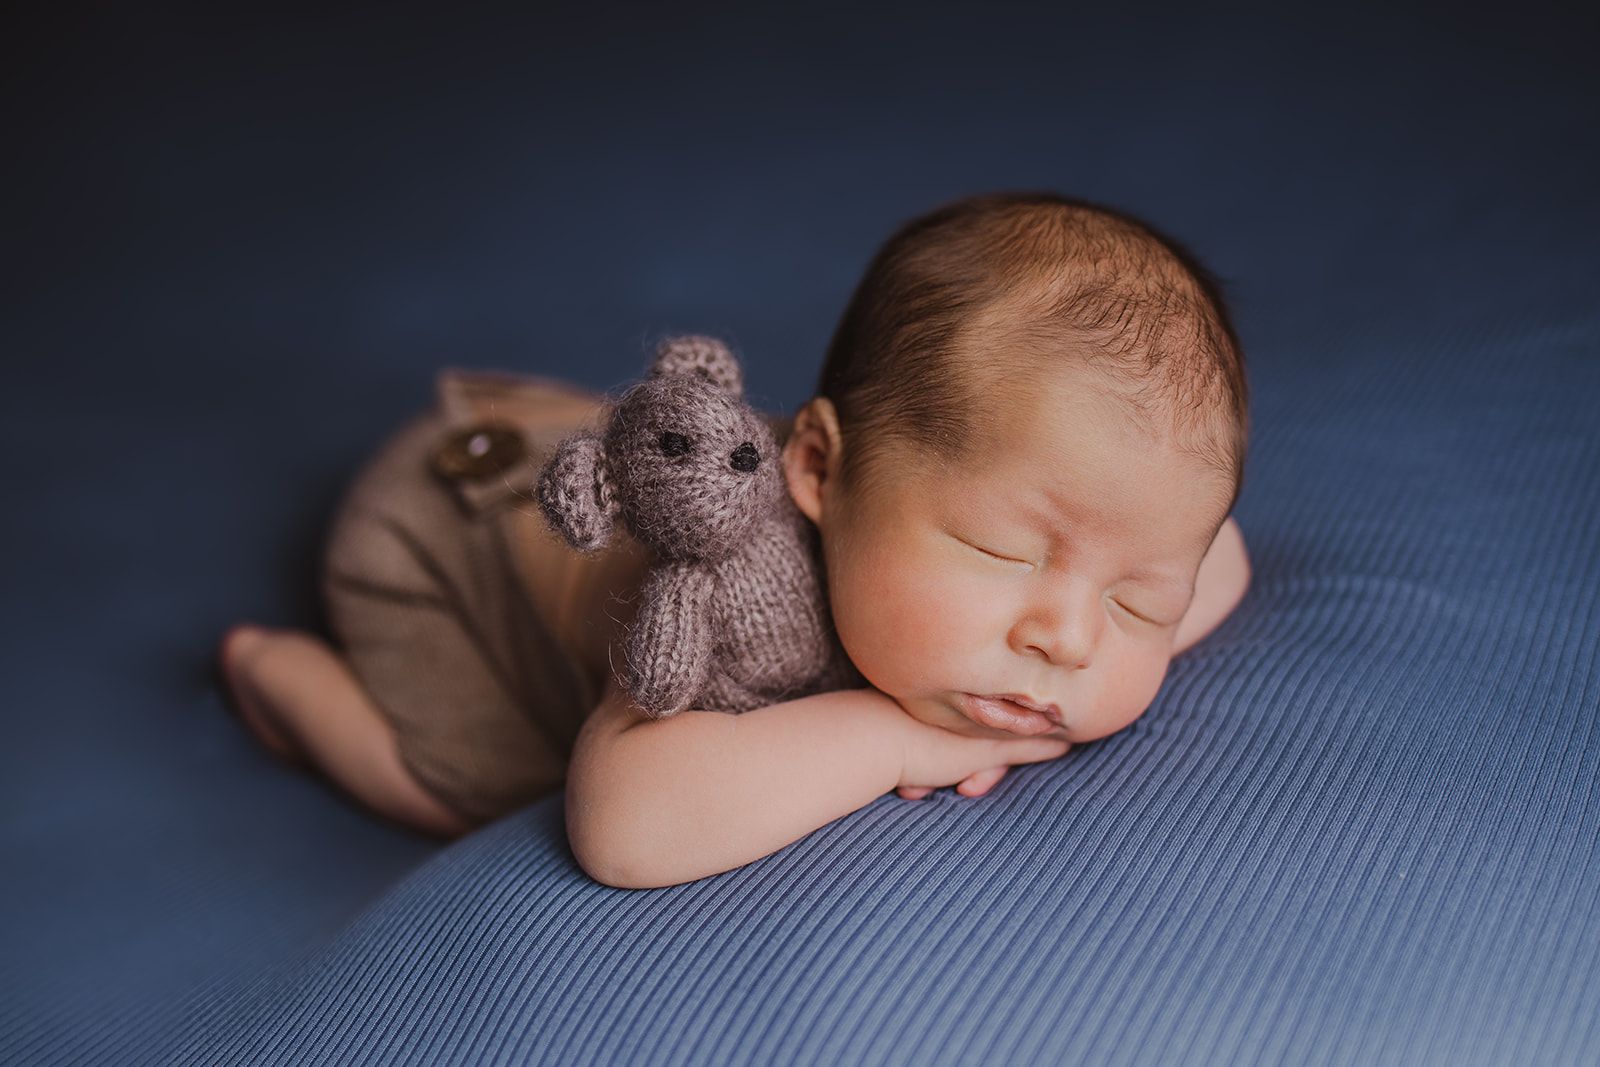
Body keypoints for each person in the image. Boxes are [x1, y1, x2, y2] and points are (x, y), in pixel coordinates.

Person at [217, 191, 1253, 887]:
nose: (1067, 636)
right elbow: (623, 830)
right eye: (999, 549)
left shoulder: (1037, 556)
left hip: (581, 430)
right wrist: (904, 736)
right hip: (442, 530)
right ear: (815, 469)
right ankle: (283, 679)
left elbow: (1220, 556)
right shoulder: (721, 596)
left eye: (1137, 600)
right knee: (469, 787)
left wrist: (1138, 599)